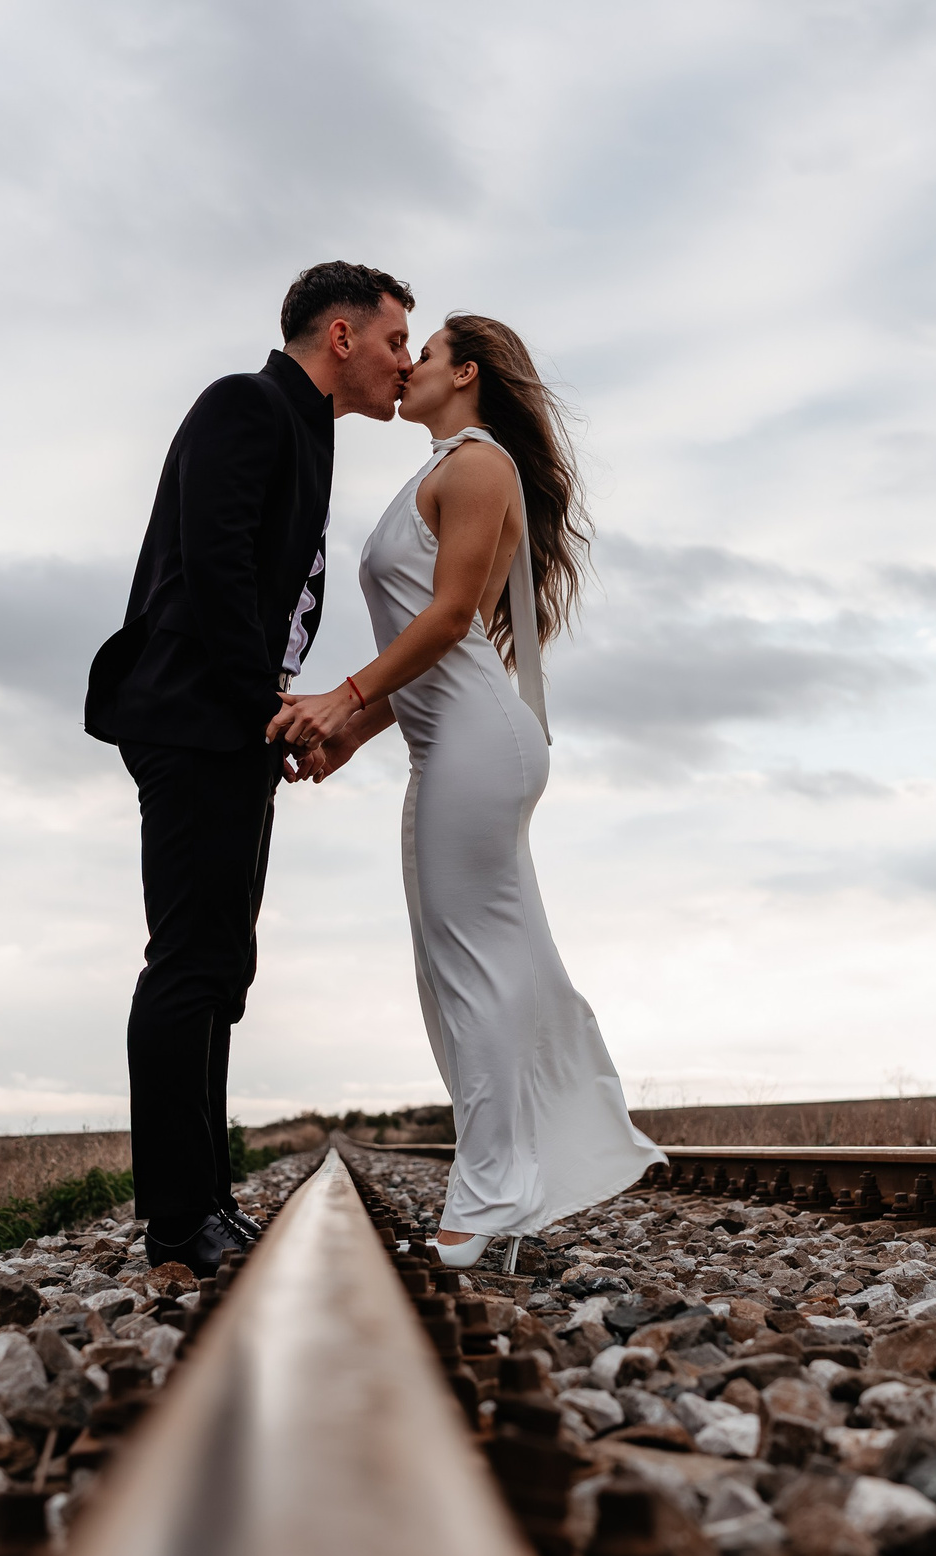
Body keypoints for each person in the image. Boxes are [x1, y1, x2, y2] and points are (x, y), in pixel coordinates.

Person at [267, 314, 664, 1270]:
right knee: (474, 967)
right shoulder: (440, 468)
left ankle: (486, 1200)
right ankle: (512, 1187)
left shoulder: (478, 464)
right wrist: (352, 732)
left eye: (424, 349)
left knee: (475, 968)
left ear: (467, 373)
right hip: (449, 739)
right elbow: (436, 645)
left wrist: (343, 696)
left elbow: (449, 621)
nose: (406, 363)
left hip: (479, 743)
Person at [85, 262, 415, 1276]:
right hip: (194, 718)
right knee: (190, 961)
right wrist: (274, 710)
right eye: (397, 340)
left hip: (230, 725)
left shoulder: (304, 433)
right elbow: (220, 569)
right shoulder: (246, 402)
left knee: (221, 966)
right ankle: (178, 1221)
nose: (406, 364)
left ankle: (202, 1205)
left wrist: (276, 718)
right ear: (343, 336)